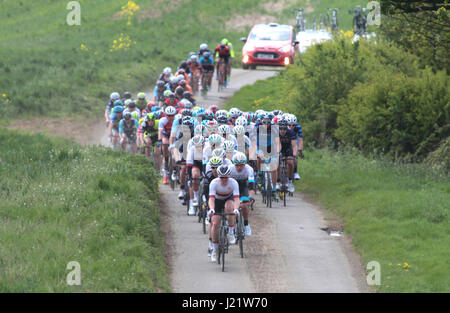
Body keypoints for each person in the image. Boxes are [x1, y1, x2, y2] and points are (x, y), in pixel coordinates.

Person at [208, 165, 240, 262]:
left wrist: (236, 209)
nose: (224, 180)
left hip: (228, 198)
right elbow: (211, 199)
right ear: (218, 176)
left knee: (230, 207)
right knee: (215, 223)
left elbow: (237, 198)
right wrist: (212, 209)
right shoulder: (214, 183)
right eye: (221, 177)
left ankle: (230, 232)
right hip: (217, 201)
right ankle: (214, 248)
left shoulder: (234, 183)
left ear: (229, 176)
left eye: (226, 177)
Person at [230, 152, 255, 236]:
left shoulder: (249, 169)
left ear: (245, 164)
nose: (239, 167)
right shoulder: (230, 169)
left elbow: (251, 187)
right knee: (230, 206)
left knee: (244, 205)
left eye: (241, 165)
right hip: (232, 187)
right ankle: (230, 225)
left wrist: (251, 197)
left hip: (243, 186)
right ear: (233, 164)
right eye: (237, 165)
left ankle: (246, 224)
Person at [158, 106, 177, 184]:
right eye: (168, 115)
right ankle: (165, 160)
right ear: (165, 115)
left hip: (174, 136)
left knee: (176, 151)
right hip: (165, 135)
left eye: (172, 115)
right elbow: (160, 132)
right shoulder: (162, 121)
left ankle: (175, 170)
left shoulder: (176, 120)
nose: (170, 117)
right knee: (165, 143)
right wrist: (160, 141)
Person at [277, 119, 297, 193]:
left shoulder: (291, 132)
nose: (282, 131)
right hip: (279, 148)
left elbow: (294, 146)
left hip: (288, 148)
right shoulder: (276, 133)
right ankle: (278, 182)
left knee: (290, 162)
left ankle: (290, 181)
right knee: (277, 162)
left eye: (284, 129)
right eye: (281, 129)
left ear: (287, 128)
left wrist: (294, 155)